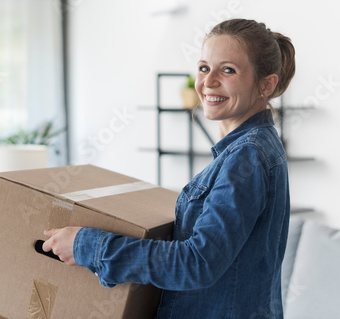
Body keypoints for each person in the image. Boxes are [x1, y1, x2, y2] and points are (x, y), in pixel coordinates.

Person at [43, 18, 295, 318]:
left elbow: (198, 263)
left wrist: (87, 245)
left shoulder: (248, 155)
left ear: (266, 84)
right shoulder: (252, 148)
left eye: (228, 70)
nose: (208, 81)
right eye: (204, 67)